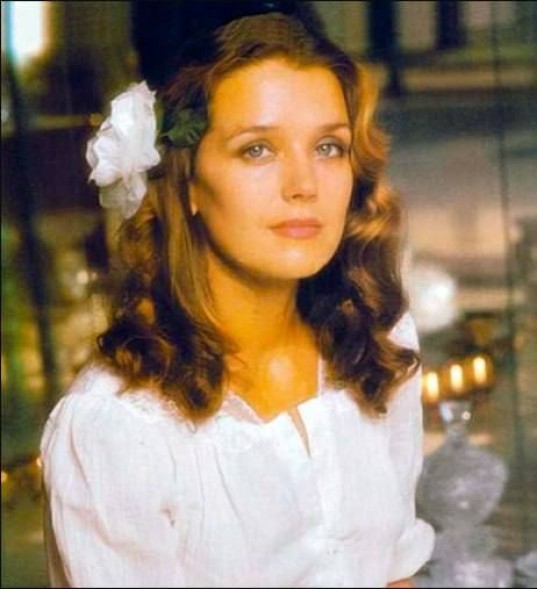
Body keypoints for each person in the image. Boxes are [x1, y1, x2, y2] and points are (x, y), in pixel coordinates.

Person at [40, 2, 435, 587]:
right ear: (188, 182)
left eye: (328, 147)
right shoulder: (118, 427)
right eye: (257, 149)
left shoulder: (376, 342)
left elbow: (395, 571)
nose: (304, 185)